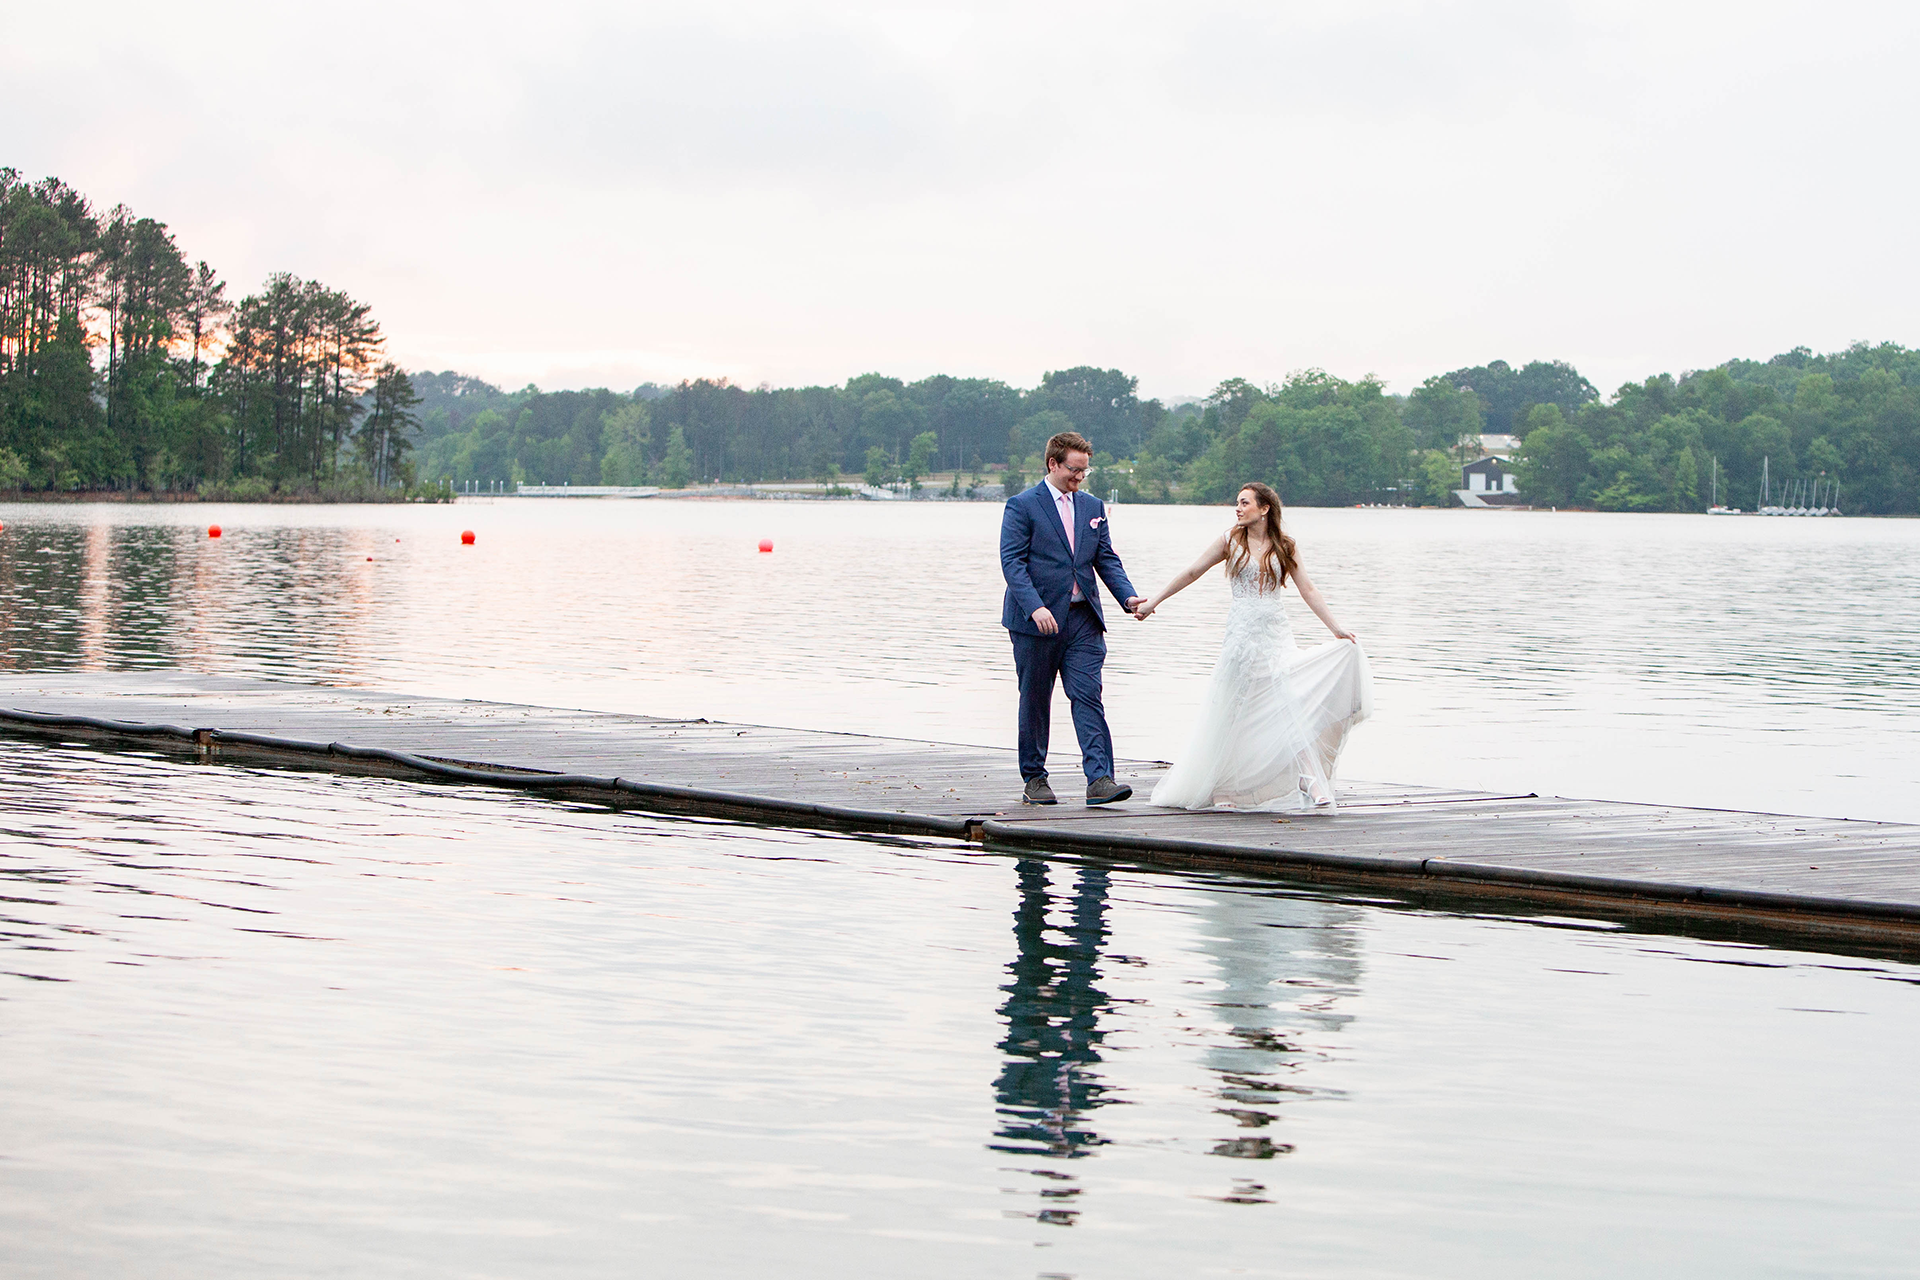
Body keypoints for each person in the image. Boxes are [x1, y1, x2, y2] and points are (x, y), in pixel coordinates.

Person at [1131, 482, 1372, 811]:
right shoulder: (1230, 540)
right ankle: (1223, 786)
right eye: (1237, 503)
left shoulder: (1285, 545)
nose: (1238, 508)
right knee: (1234, 708)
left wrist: (1336, 628)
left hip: (1275, 633)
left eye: (1245, 503)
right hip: (1242, 635)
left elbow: (1308, 589)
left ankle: (1309, 777)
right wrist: (1153, 601)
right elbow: (1192, 571)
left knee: (1289, 702)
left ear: (1264, 508)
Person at [1000, 431, 1146, 806]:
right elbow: (1012, 563)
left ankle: (1099, 779)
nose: (1080, 477)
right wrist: (1035, 606)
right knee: (1035, 699)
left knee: (1088, 695)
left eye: (1085, 471)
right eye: (1073, 470)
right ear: (1053, 463)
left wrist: (1128, 597)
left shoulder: (1093, 507)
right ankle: (1034, 778)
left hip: (1083, 620)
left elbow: (1106, 559)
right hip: (1036, 621)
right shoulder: (1022, 505)